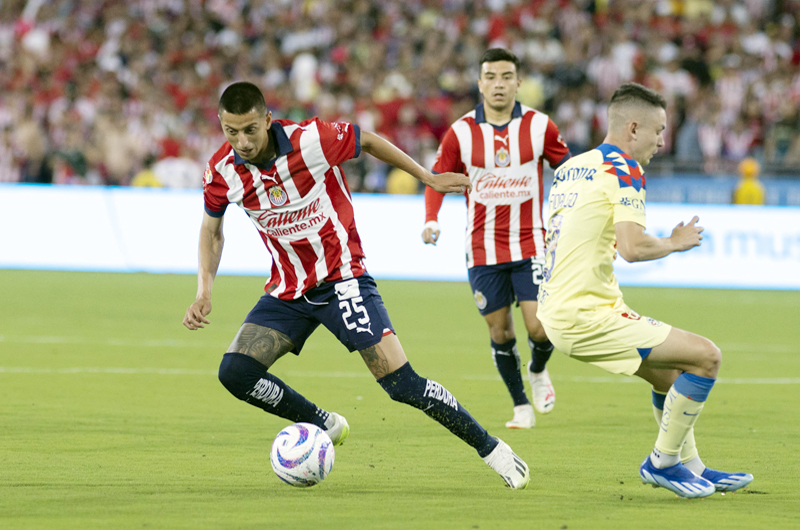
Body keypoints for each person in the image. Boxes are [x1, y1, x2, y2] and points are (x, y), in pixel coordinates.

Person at [182, 81, 530, 489]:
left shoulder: (311, 140)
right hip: (288, 290)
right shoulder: (222, 171)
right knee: (235, 372)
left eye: (250, 130)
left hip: (343, 279)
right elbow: (211, 231)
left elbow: (369, 142)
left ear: (267, 120)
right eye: (231, 131)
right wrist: (204, 289)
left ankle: (493, 450)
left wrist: (426, 177)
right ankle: (321, 423)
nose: (241, 141)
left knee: (403, 385)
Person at [536, 82, 753, 498]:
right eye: (658, 130)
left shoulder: (569, 169)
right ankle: (663, 462)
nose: (662, 140)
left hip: (559, 310)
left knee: (670, 377)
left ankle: (692, 466)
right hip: (586, 314)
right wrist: (675, 242)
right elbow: (633, 248)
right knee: (706, 357)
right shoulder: (625, 168)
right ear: (632, 128)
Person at [422, 49, 571, 429]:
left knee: (540, 327)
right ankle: (521, 405)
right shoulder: (460, 132)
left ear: (519, 83)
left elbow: (568, 170)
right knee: (500, 330)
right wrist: (431, 218)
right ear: (480, 83)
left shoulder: (540, 127)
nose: (499, 84)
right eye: (491, 77)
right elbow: (438, 178)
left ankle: (537, 369)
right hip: (482, 248)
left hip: (531, 243)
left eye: (507, 76)